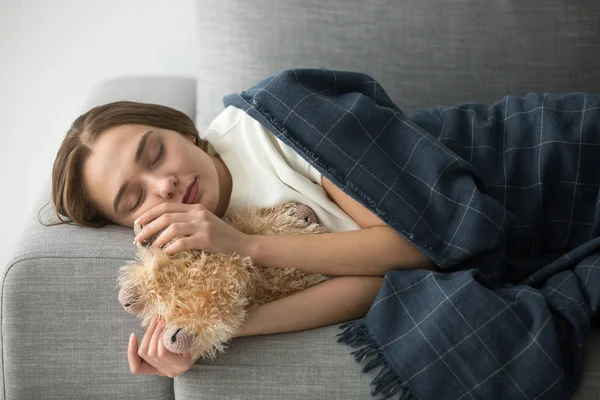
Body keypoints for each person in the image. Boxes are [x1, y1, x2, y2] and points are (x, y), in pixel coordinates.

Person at [46, 100, 437, 379]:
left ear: (183, 130)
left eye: (156, 153)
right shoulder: (190, 259)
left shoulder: (268, 130)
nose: (164, 185)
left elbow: (416, 249)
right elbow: (378, 284)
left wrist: (245, 245)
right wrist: (208, 332)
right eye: (134, 200)